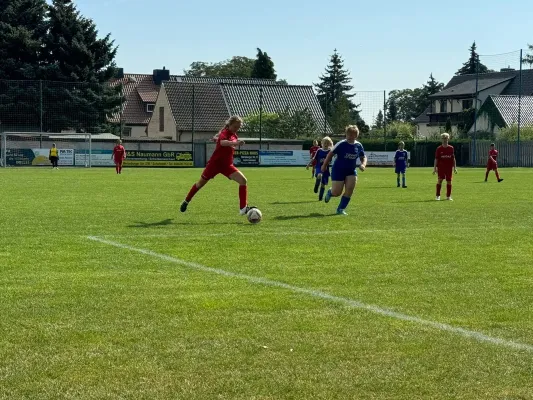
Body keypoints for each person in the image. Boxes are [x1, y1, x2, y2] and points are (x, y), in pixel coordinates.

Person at [180, 116, 254, 216]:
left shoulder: (233, 135)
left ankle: (243, 208)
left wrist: (217, 139)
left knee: (243, 181)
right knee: (200, 184)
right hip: (214, 165)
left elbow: (220, 140)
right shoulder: (225, 133)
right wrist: (235, 143)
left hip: (227, 166)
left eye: (239, 127)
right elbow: (223, 142)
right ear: (230, 125)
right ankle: (186, 201)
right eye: (235, 126)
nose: (237, 129)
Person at [321, 125, 367, 215]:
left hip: (351, 170)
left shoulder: (358, 145)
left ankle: (340, 209)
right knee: (337, 192)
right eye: (348, 134)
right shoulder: (341, 144)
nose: (350, 137)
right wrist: (324, 165)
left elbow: (363, 156)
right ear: (346, 134)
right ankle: (330, 192)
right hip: (338, 170)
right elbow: (330, 154)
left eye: (352, 135)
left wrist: (363, 164)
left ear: (356, 135)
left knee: (350, 189)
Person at [306, 136, 333, 201]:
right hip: (318, 167)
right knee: (319, 175)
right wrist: (308, 164)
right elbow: (314, 158)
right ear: (322, 143)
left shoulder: (330, 151)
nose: (326, 144)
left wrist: (327, 161)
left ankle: (320, 197)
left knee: (323, 185)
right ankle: (316, 186)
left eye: (327, 143)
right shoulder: (319, 150)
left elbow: (330, 161)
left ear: (329, 144)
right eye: (324, 143)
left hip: (326, 169)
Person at [433, 133, 457, 201]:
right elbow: (436, 159)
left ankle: (448, 196)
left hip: (449, 168)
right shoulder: (439, 149)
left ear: (448, 139)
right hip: (441, 168)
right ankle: (438, 196)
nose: (444, 140)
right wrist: (435, 168)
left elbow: (453, 158)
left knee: (449, 181)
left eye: (446, 138)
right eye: (443, 138)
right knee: (440, 180)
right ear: (441, 139)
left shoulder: (451, 148)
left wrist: (455, 167)